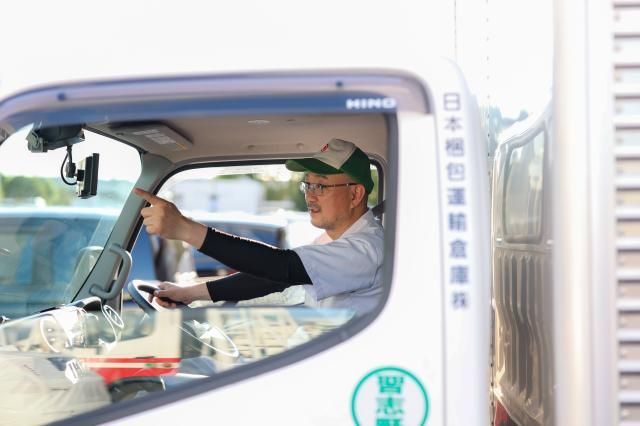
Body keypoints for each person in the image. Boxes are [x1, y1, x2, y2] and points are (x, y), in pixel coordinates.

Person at [134, 138, 383, 315]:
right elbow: (272, 279)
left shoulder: (365, 249)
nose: (310, 195)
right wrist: (189, 293)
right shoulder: (337, 242)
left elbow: (281, 266)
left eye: (321, 185)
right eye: (307, 185)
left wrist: (185, 229)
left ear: (355, 194)